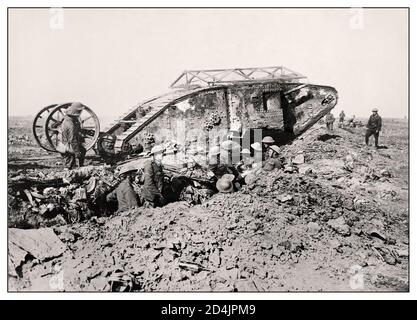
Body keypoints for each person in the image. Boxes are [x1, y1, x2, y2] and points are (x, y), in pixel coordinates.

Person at [60, 102, 86, 169]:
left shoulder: (67, 119)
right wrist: (77, 152)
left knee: (82, 150)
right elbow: (73, 140)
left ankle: (78, 168)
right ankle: (68, 173)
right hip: (67, 148)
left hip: (62, 145)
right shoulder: (71, 125)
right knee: (69, 164)